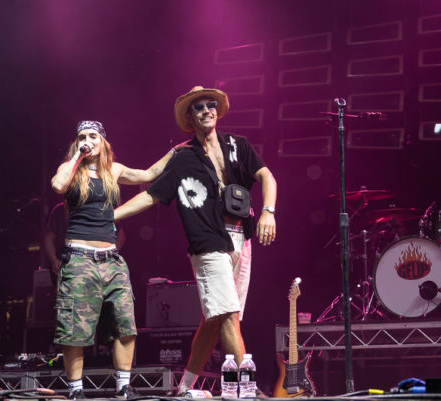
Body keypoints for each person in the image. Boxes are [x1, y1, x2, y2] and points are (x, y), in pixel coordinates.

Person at [114, 86, 277, 394]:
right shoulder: (183, 156)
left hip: (241, 238)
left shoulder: (238, 145)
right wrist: (112, 215)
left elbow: (267, 176)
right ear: (189, 117)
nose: (206, 110)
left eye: (210, 104)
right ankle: (247, 389)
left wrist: (268, 212)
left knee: (213, 319)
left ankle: (183, 388)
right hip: (207, 241)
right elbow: (151, 195)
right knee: (227, 314)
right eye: (198, 107)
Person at [50, 120, 186, 399]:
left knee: (125, 323)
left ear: (103, 142)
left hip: (111, 259)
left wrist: (175, 152)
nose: (87, 141)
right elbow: (58, 185)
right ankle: (76, 390)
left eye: (92, 136)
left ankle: (123, 386)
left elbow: (149, 174)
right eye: (81, 137)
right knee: (74, 328)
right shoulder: (70, 169)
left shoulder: (114, 169)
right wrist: (76, 157)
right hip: (79, 259)